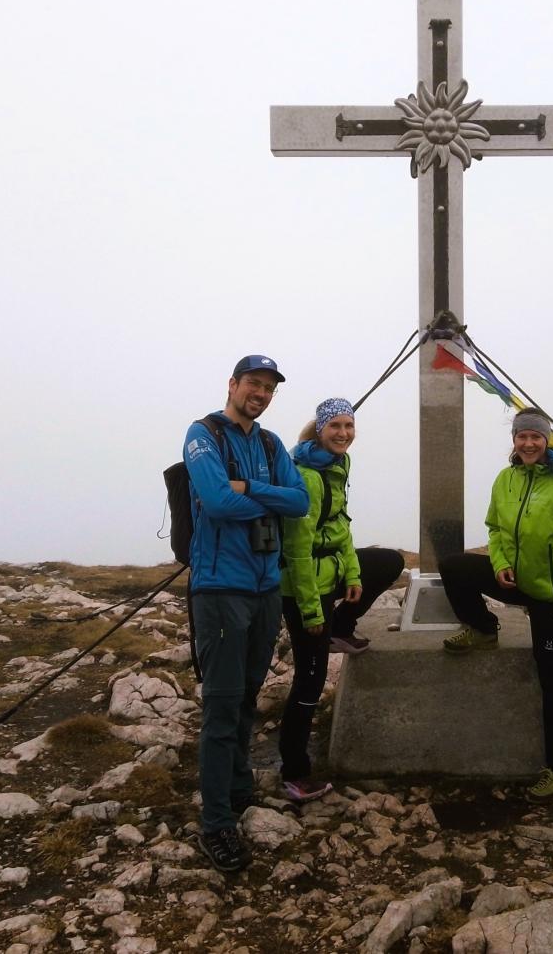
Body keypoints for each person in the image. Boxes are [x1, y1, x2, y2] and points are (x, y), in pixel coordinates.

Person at [183, 354, 309, 873]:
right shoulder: (202, 434)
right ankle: (216, 823)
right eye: (252, 384)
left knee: (247, 699)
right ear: (232, 384)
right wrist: (264, 498)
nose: (259, 393)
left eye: (268, 388)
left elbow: (299, 501)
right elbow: (214, 501)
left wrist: (250, 490)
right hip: (220, 591)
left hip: (264, 590)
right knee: (221, 706)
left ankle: (238, 790)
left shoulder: (270, 443)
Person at [439, 409, 553, 803]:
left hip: (551, 596)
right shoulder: (506, 479)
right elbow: (495, 528)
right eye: (521, 436)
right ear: (514, 440)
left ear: (547, 440)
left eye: (535, 437)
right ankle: (483, 629)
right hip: (514, 579)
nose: (528, 443)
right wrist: (501, 562)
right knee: (454, 567)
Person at [277, 397, 406, 802]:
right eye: (336, 426)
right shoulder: (306, 476)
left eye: (349, 426)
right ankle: (293, 773)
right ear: (319, 428)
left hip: (330, 574)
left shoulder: (337, 465)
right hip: (301, 589)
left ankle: (340, 630)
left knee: (387, 562)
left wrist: (352, 574)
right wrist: (314, 613)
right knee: (310, 679)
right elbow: (297, 550)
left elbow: (341, 525)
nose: (344, 434)